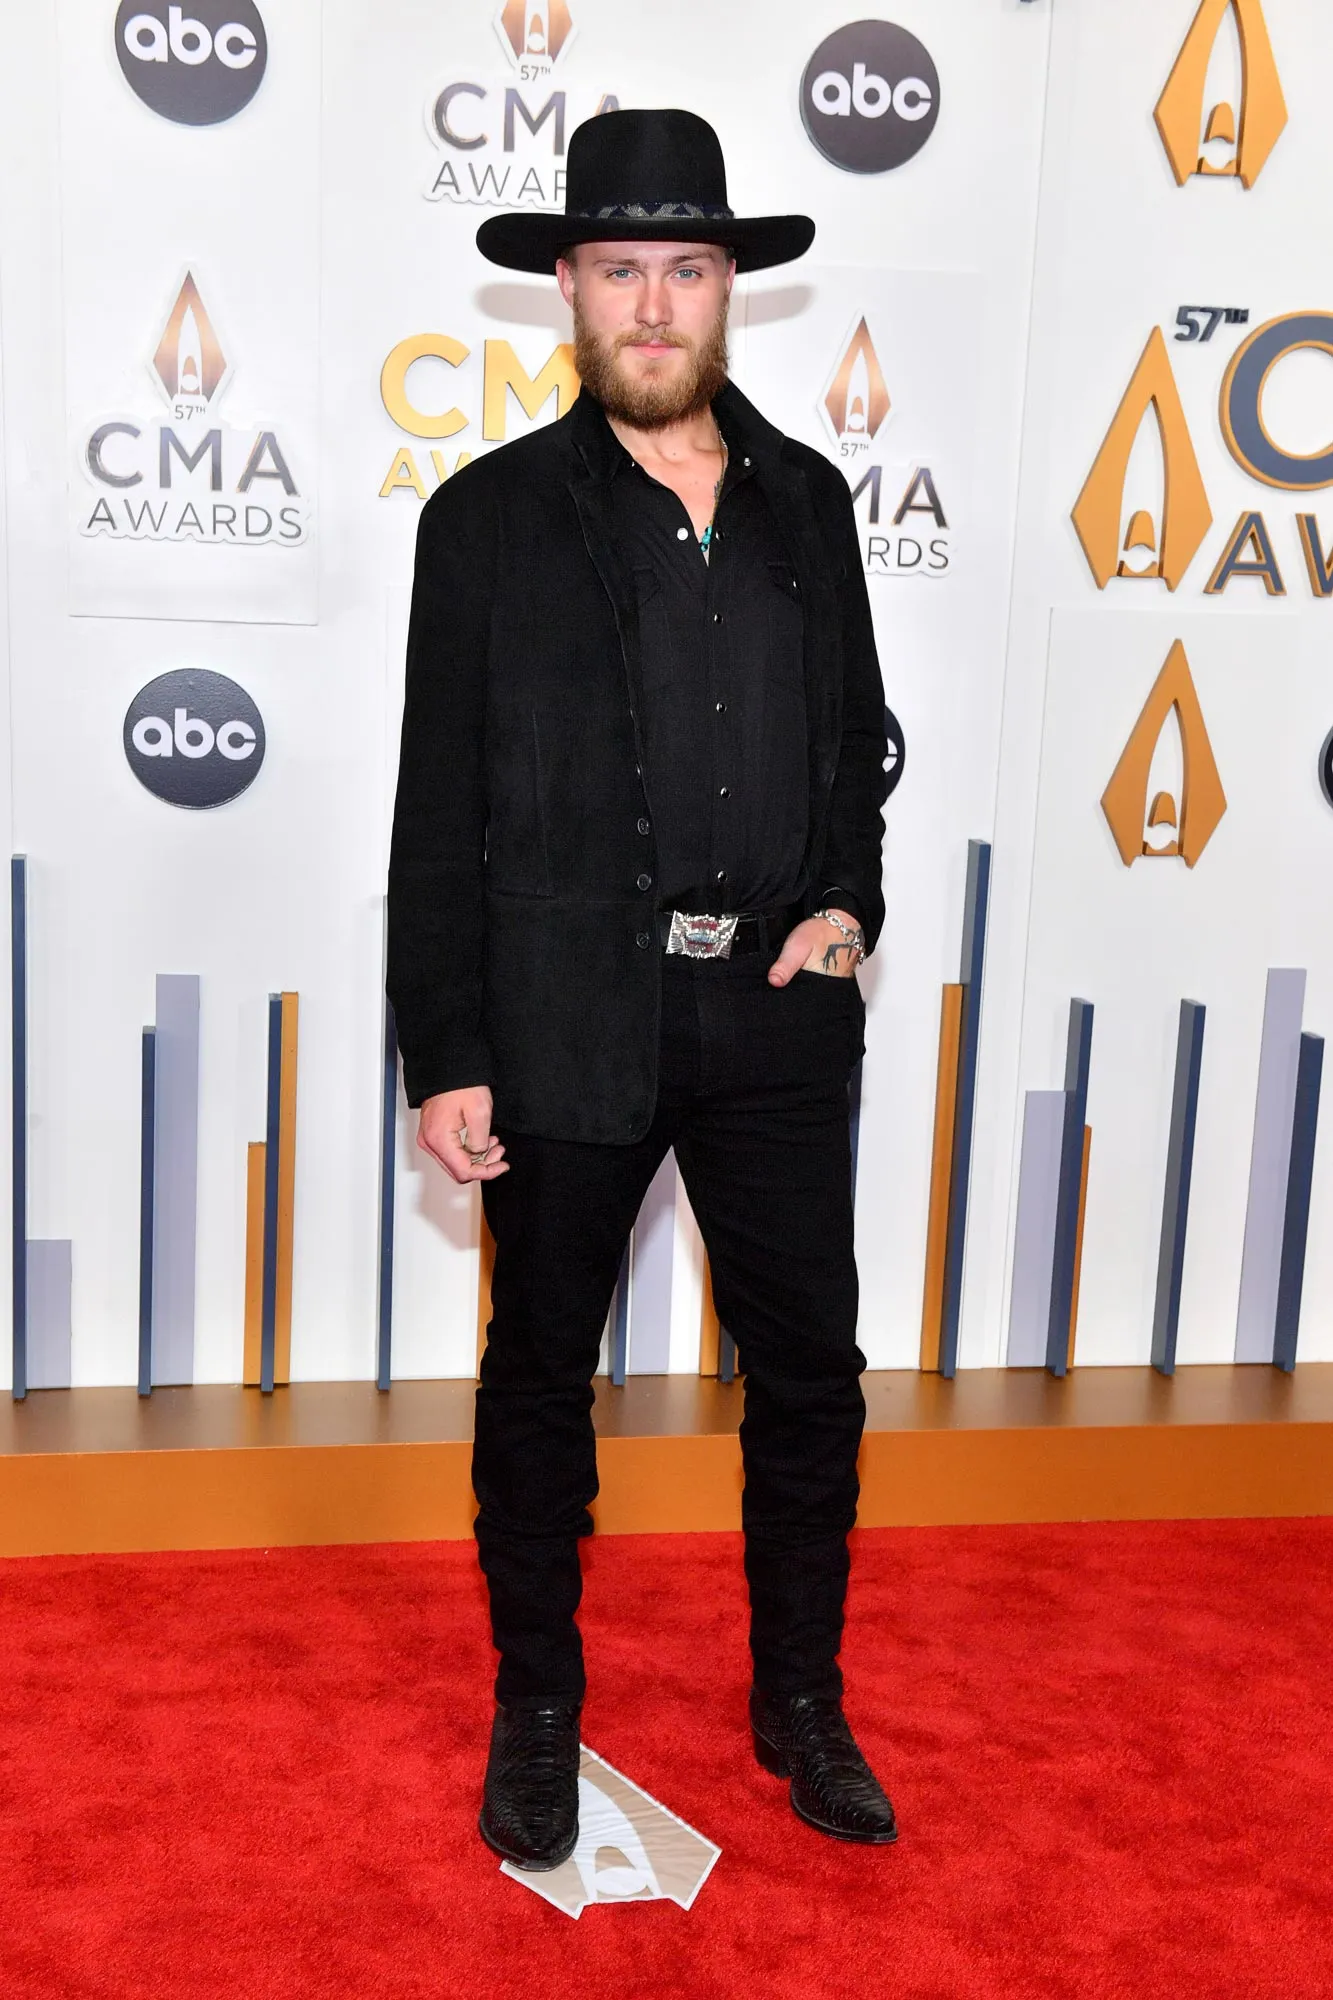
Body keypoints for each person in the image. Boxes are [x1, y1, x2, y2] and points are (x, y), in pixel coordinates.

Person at [387, 107, 894, 1868]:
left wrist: (848, 907)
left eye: (686, 268)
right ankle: (539, 1705)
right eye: (622, 270)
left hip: (773, 1014)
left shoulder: (810, 502)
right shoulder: (487, 520)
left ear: (730, 284)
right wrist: (447, 1049)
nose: (655, 305)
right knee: (541, 1374)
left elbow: (856, 748)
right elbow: (435, 806)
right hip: (563, 1015)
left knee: (812, 1376)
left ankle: (802, 1699)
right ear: (570, 287)